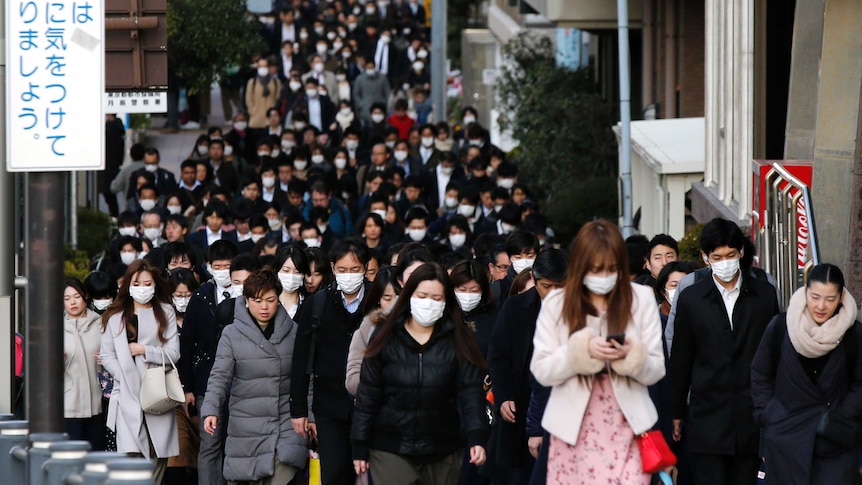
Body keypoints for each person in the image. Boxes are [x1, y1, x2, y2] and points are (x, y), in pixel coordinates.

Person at [530, 220, 665, 485]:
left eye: (611, 269)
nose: (604, 277)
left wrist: (630, 354)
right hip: (571, 427)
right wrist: (579, 352)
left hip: (630, 424)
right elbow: (541, 370)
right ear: (581, 266)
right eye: (596, 269)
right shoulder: (557, 304)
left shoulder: (641, 298)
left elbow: (657, 369)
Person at [351, 262, 489, 483]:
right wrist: (359, 443)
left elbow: (470, 393)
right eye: (422, 295)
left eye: (437, 298)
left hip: (443, 447)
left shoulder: (458, 339)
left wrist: (477, 436)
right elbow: (368, 396)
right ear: (409, 296)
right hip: (390, 447)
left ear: (446, 301)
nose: (429, 303)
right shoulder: (387, 336)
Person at [667, 218, 780, 485]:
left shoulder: (764, 294)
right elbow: (681, 358)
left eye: (731, 255)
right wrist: (676, 412)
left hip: (751, 416)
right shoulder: (692, 299)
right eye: (717, 257)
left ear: (741, 253)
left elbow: (774, 354)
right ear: (706, 258)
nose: (725, 262)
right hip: (708, 415)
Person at [751, 264, 862, 485]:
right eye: (815, 297)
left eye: (830, 299)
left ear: (841, 298)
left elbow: (860, 383)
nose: (821, 306)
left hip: (835, 441)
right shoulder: (782, 326)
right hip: (786, 438)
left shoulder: (853, 333)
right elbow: (761, 373)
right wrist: (771, 414)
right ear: (805, 293)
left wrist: (842, 417)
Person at [202, 268, 309, 485]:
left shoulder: (294, 331)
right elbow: (219, 376)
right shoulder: (231, 334)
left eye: (270, 300)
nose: (264, 307)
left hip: (285, 423)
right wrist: (211, 409)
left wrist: (311, 415)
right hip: (245, 426)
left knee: (283, 469)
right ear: (246, 300)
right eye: (258, 300)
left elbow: (307, 378)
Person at [291, 239, 370, 485]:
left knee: (371, 474)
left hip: (371, 404)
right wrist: (299, 410)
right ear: (333, 268)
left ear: (365, 268)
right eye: (343, 270)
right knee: (334, 472)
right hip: (329, 405)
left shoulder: (378, 300)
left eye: (355, 270)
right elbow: (301, 358)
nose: (349, 276)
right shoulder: (318, 303)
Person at [487, 248, 568, 484]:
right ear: (534, 277)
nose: (553, 293)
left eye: (559, 286)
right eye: (546, 286)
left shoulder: (582, 311)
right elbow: (498, 355)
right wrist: (504, 396)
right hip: (520, 406)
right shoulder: (515, 307)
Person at [99, 260, 180, 483]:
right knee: (129, 460)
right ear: (128, 285)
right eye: (137, 283)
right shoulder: (114, 317)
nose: (143, 288)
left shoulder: (165, 312)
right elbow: (106, 356)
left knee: (156, 459)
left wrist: (145, 350)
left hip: (157, 393)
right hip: (126, 394)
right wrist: (123, 373)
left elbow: (174, 353)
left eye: (147, 283)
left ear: (155, 285)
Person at [178, 240, 240, 485]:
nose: (223, 270)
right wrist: (188, 388)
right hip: (206, 381)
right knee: (210, 443)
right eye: (218, 265)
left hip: (240, 380)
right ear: (209, 266)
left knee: (235, 442)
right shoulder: (201, 295)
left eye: (228, 266)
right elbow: (188, 344)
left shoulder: (248, 294)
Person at [165, 268, 201, 484]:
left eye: (188, 295)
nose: (183, 301)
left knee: (200, 453)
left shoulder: (202, 320)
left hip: (198, 395)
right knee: (177, 452)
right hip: (172, 397)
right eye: (178, 296)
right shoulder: (163, 322)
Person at [345, 267, 400, 396]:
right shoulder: (368, 328)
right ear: (378, 299)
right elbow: (352, 381)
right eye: (387, 298)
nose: (394, 305)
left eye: (399, 298)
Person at [64, 278, 105, 450]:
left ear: (85, 297)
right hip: (68, 406)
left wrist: (107, 360)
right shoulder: (55, 328)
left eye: (76, 296)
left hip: (98, 403)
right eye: (66, 299)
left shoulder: (101, 324)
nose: (72, 302)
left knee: (96, 459)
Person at [273, 246, 311, 319]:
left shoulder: (310, 303)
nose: (291, 276)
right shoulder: (266, 301)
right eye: (286, 271)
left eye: (297, 272)